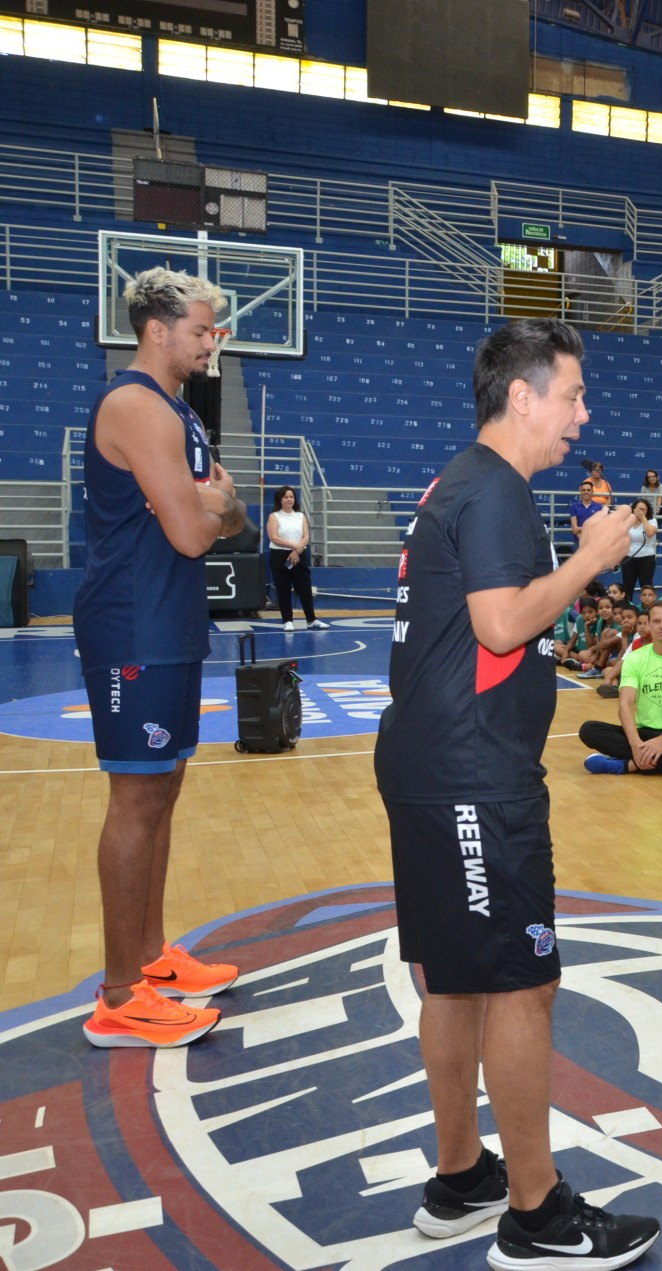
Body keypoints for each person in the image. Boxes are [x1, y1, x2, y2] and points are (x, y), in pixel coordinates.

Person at [376, 318, 658, 1264]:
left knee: (455, 978)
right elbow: (501, 626)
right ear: (524, 394)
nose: (585, 414)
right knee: (524, 980)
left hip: (431, 761)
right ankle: (536, 1215)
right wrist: (589, 557)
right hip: (473, 777)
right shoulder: (496, 490)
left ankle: (462, 1177)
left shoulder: (456, 480)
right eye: (574, 395)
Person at [75, 267, 247, 1050]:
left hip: (170, 622)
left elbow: (230, 513)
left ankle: (149, 959)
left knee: (165, 788)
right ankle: (117, 997)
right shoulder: (135, 407)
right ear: (159, 328)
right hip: (133, 625)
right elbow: (190, 530)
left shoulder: (177, 410)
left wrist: (212, 503)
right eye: (204, 329)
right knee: (136, 801)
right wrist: (206, 504)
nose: (213, 341)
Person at [581, 599, 662, 777]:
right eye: (657, 621)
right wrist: (635, 744)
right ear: (649, 625)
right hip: (641, 734)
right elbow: (625, 704)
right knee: (589, 729)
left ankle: (627, 765)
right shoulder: (635, 658)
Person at [266, 484, 327, 632]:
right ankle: (287, 620)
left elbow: (306, 536)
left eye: (291, 497)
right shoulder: (274, 516)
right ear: (280, 499)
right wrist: (295, 546)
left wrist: (297, 550)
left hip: (299, 555)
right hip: (280, 556)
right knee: (283, 588)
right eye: (286, 497)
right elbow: (274, 537)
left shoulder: (300, 516)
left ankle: (311, 620)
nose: (289, 499)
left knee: (304, 587)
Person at [619, 497, 657, 599]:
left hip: (646, 557)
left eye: (643, 510)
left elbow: (650, 533)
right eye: (638, 509)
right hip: (628, 557)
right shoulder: (628, 521)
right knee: (627, 585)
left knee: (646, 585)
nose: (640, 511)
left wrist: (642, 518)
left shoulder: (652, 521)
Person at [567, 477, 600, 550]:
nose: (586, 492)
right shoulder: (574, 506)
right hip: (579, 543)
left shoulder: (599, 507)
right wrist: (583, 541)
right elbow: (574, 529)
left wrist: (580, 528)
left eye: (588, 490)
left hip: (595, 542)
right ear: (580, 492)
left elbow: (599, 528)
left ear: (592, 492)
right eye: (583, 490)